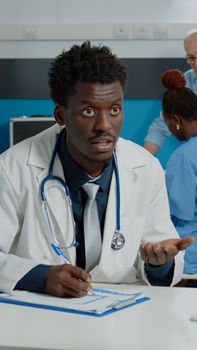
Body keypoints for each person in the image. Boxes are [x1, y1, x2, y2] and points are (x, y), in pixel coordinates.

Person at [0, 42, 194, 298]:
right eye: (89, 111)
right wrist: (41, 276)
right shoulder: (13, 167)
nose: (104, 125)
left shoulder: (145, 168)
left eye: (114, 109)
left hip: (121, 317)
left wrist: (159, 262)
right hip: (39, 319)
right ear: (61, 116)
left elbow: (161, 258)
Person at [161, 69, 197, 286]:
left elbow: (180, 213)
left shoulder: (183, 157)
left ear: (175, 120)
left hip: (191, 263)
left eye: (166, 122)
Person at [144, 29, 197, 155]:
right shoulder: (187, 80)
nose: (195, 63)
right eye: (190, 57)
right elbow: (162, 124)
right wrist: (145, 159)